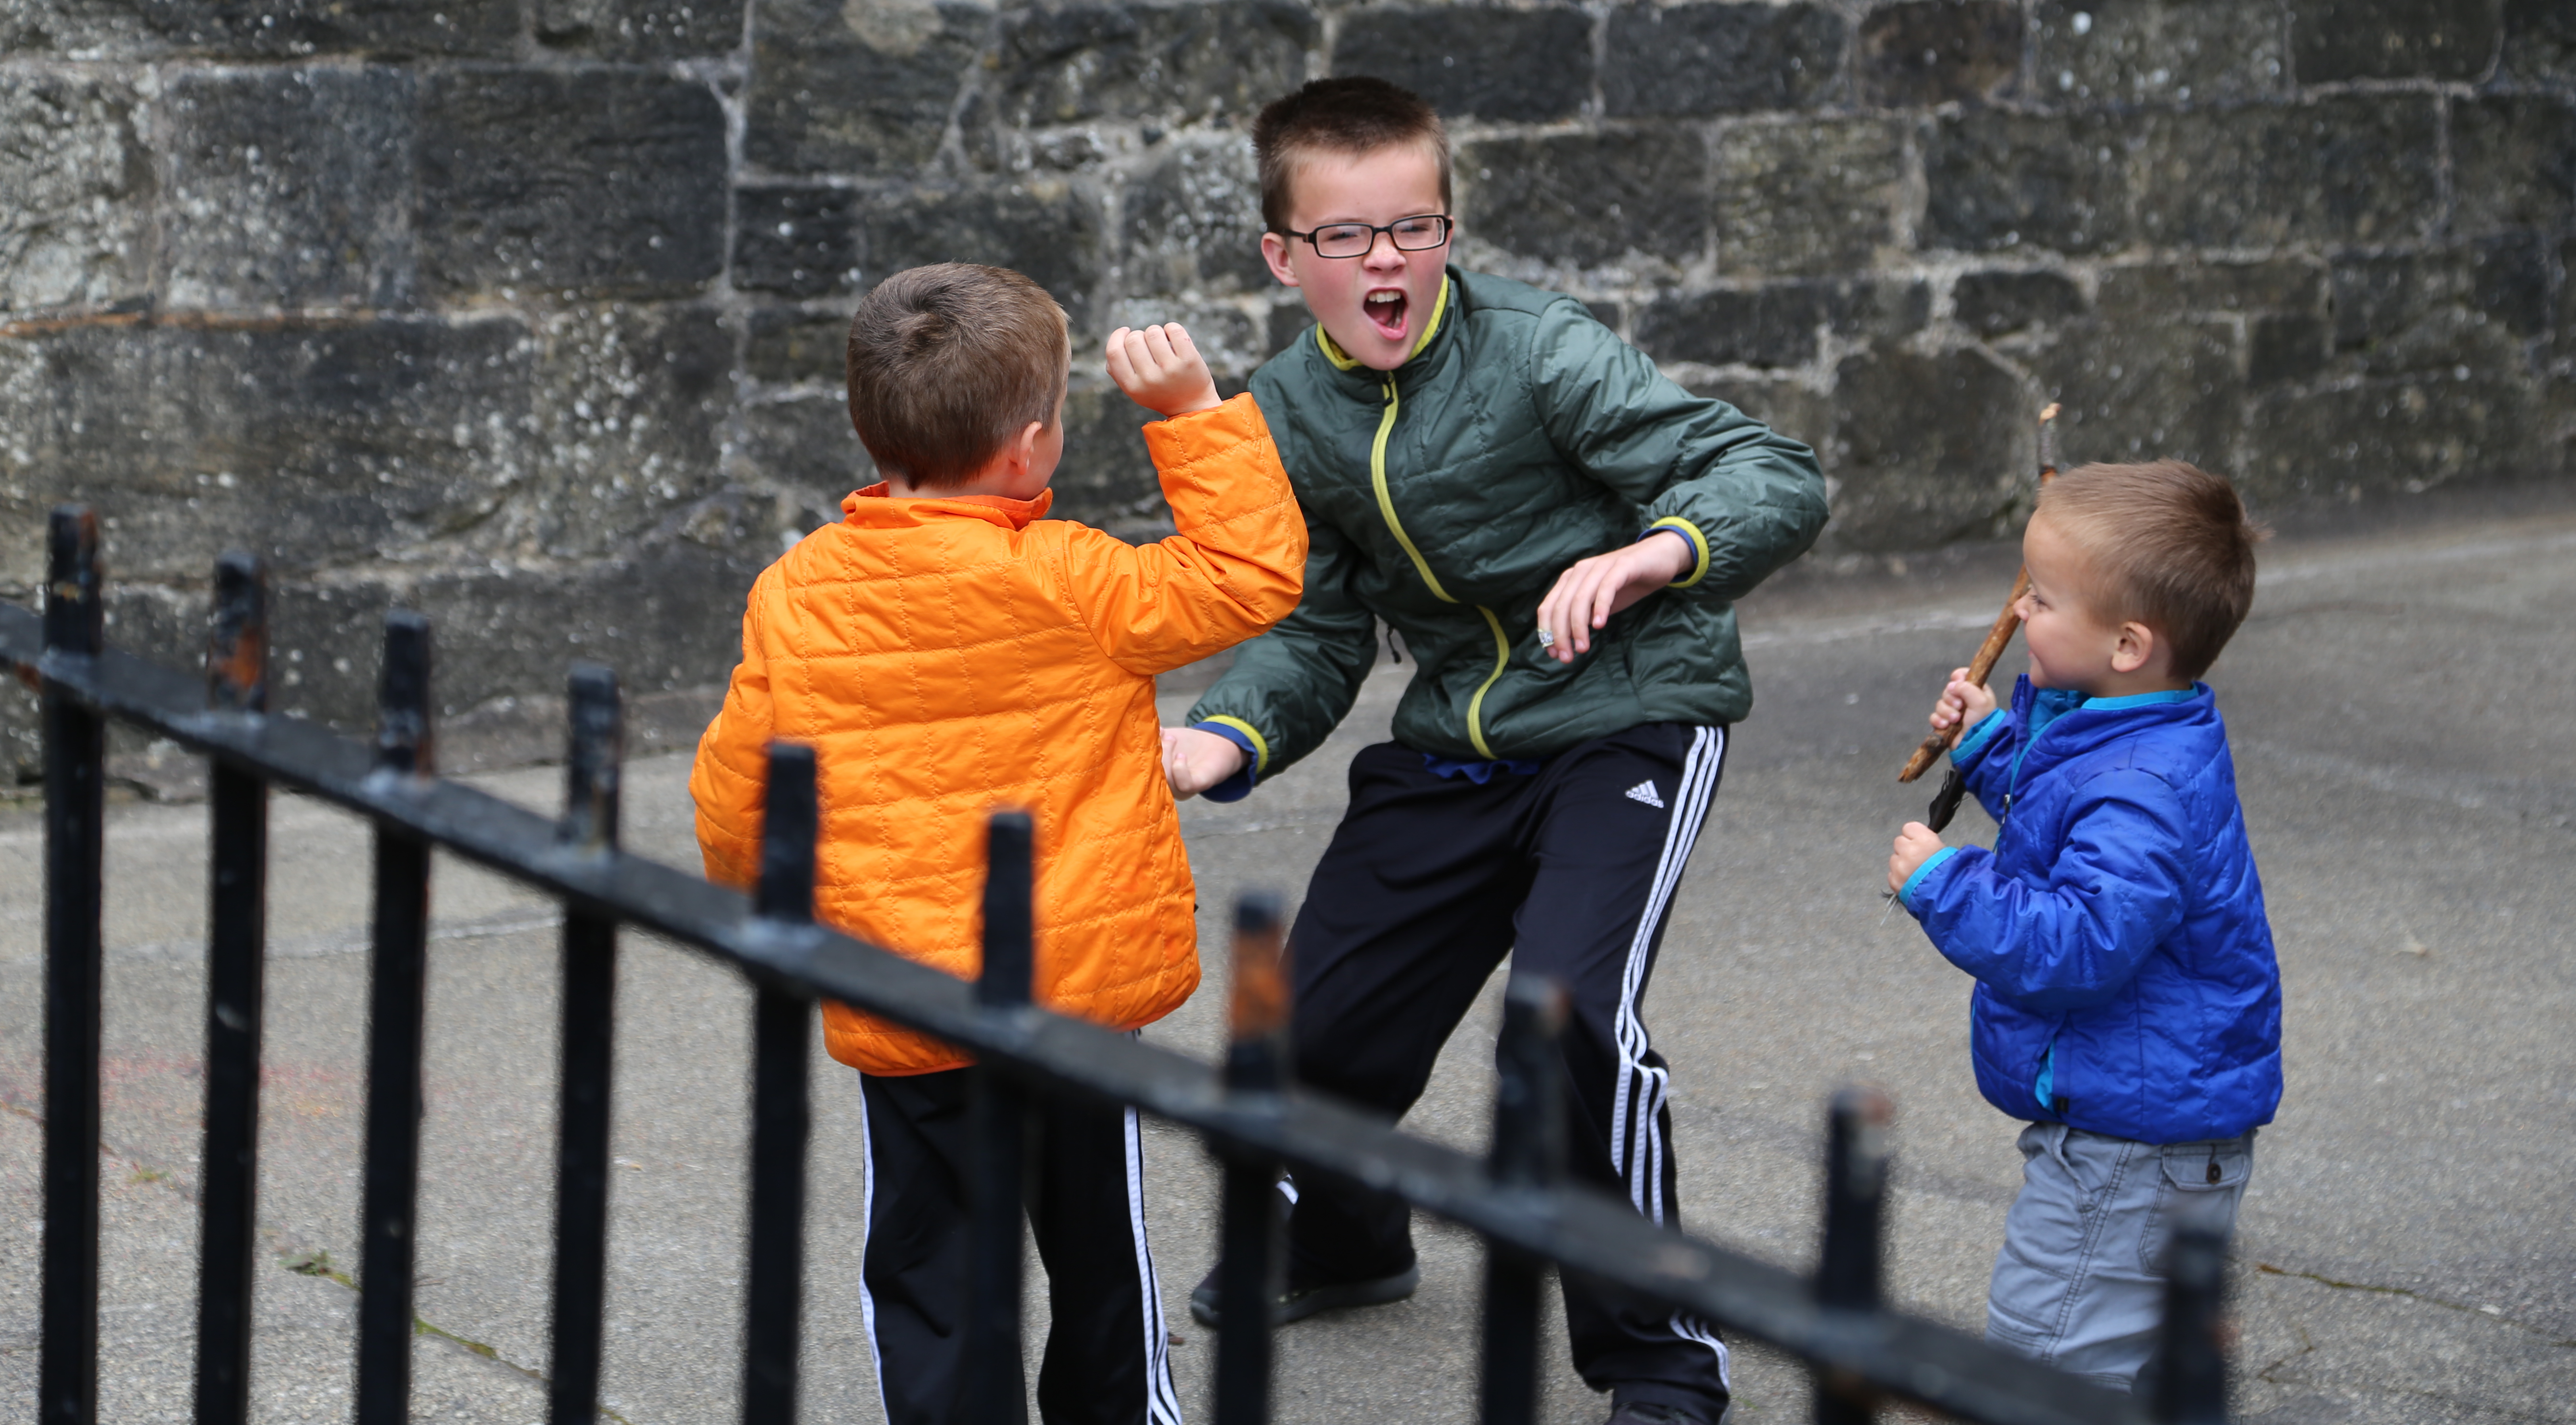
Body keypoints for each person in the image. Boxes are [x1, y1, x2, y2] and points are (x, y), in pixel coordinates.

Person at [1163, 76, 1830, 1425]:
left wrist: (1654, 555)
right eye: (1348, 235)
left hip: (1626, 712)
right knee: (1308, 1023)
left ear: (1449, 231)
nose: (1389, 259)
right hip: (1456, 738)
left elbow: (1773, 472)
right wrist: (1227, 734)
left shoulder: (1540, 351)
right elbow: (1316, 631)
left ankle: (1659, 1355)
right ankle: (1351, 1240)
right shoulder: (1286, 409)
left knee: (1569, 1018)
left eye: (1417, 225)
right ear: (1284, 258)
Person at [689, 263, 1306, 1425]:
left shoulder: (797, 592)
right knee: (1097, 1257)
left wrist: (761, 915)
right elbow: (1248, 577)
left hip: (903, 996)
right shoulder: (1076, 581)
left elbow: (738, 787)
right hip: (1069, 1002)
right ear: (1030, 448)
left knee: (930, 1274)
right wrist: (1191, 414)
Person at [1884, 459, 2282, 1393]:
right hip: (2144, 1129)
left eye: (2045, 601)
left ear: (2129, 642)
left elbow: (2079, 941)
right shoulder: (2129, 728)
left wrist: (1947, 885)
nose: (2021, 614)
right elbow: (2060, 803)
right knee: (2123, 1367)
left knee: (2044, 1365)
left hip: (2133, 1153)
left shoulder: (2142, 787)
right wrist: (1987, 742)